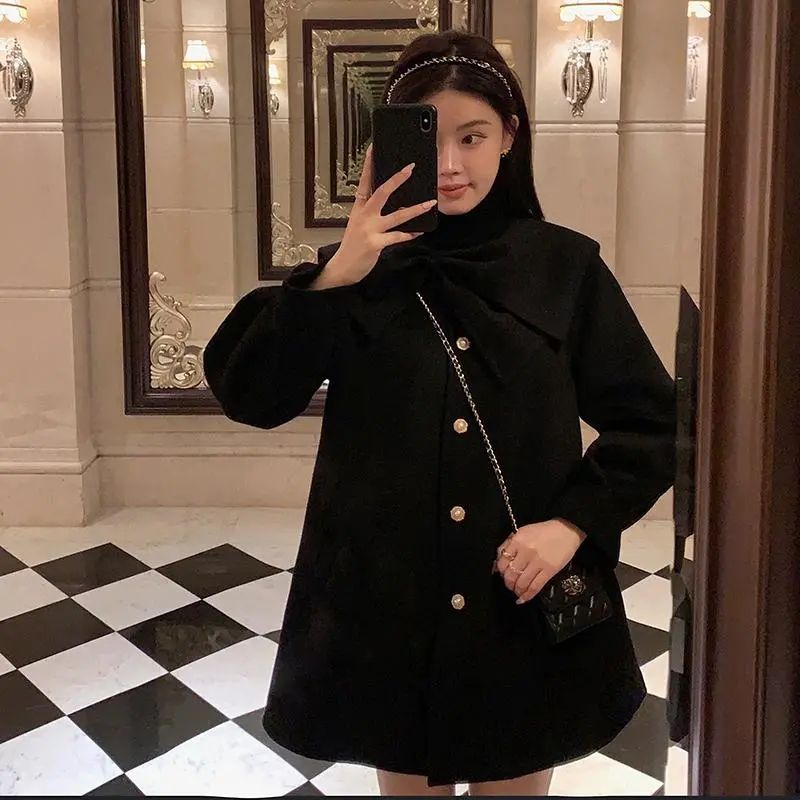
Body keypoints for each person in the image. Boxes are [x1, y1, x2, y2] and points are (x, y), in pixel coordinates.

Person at [203, 29, 676, 798]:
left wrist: (572, 524)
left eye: (473, 136)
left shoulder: (564, 269)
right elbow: (251, 395)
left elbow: (653, 422)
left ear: (510, 136)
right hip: (391, 609)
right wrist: (339, 272)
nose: (450, 164)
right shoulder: (357, 274)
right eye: (429, 138)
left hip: (517, 599)